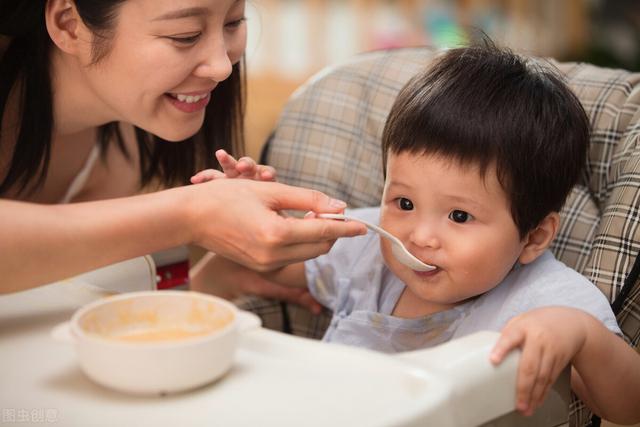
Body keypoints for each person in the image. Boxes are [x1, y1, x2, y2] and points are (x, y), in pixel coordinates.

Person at [200, 41, 640, 423]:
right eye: (404, 203)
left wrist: (580, 335)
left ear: (534, 237)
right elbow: (265, 264)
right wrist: (251, 215)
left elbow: (629, 406)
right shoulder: (367, 246)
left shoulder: (547, 301)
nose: (420, 236)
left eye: (460, 217)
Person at [0, 0, 366, 294]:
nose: (223, 67)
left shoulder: (128, 134)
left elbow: (62, 304)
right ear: (69, 24)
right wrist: (190, 215)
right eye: (185, 35)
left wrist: (214, 284)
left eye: (233, 22)